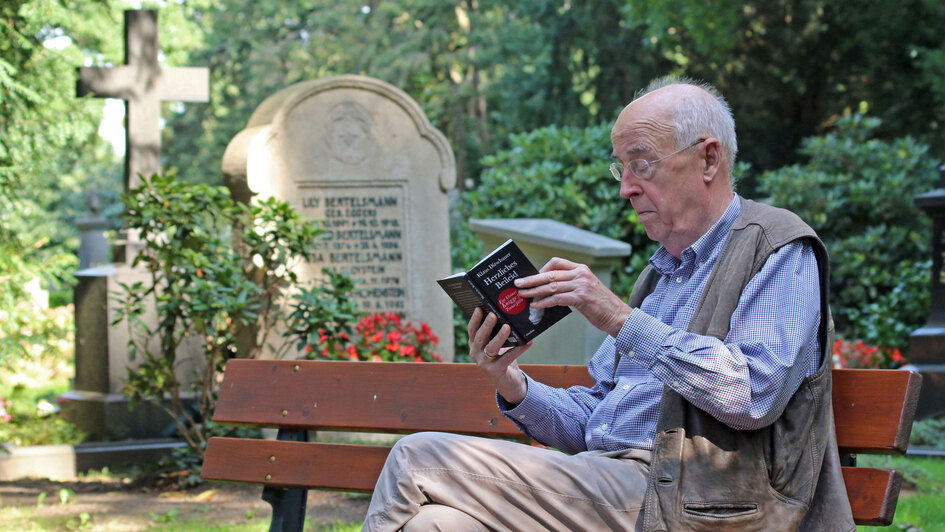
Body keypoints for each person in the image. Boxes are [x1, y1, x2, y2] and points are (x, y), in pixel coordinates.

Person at [362, 76, 855, 531]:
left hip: (695, 499)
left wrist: (619, 317)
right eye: (621, 168)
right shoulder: (660, 276)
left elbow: (752, 396)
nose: (626, 188)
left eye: (641, 165)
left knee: (416, 457)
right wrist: (508, 381)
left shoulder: (779, 247)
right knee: (436, 527)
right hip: (607, 484)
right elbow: (593, 420)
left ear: (708, 159)